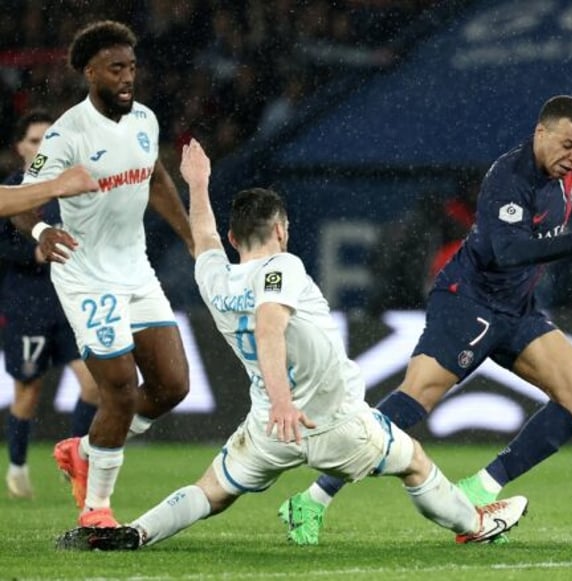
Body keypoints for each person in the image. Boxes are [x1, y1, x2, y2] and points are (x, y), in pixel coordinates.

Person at [54, 139, 528, 551]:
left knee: (212, 492)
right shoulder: (286, 267)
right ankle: (474, 524)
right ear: (281, 229)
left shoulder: (215, 276)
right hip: (332, 419)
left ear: (234, 237)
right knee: (414, 464)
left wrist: (198, 185)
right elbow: (268, 327)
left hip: (267, 429)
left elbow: (202, 238)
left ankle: (135, 532)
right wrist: (285, 402)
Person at [280, 95, 572, 545]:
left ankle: (479, 489)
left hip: (516, 309)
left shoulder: (570, 170)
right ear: (541, 134)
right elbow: (508, 252)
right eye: (567, 146)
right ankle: (311, 499)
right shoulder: (508, 177)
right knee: (411, 401)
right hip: (468, 302)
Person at [14, 20, 193, 528]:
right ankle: (96, 511)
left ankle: (87, 447)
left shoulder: (144, 120)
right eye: (116, 68)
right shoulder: (66, 134)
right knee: (118, 390)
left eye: (131, 67)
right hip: (85, 274)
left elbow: (155, 176)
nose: (126, 77)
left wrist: (189, 237)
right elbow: (28, 198)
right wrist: (40, 233)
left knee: (173, 385)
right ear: (90, 72)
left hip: (136, 269)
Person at [2, 111, 100, 499]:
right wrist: (33, 254)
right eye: (34, 141)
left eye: (49, 140)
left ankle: (75, 458)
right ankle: (18, 467)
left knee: (93, 384)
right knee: (29, 389)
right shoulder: (9, 191)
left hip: (69, 300)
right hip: (26, 303)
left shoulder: (68, 189)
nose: (42, 147)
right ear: (20, 147)